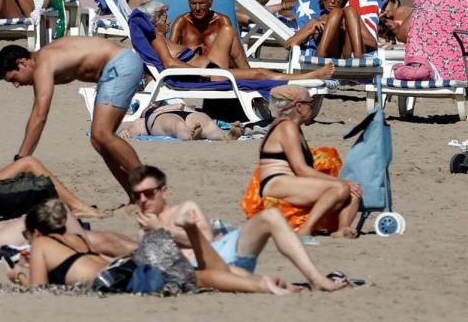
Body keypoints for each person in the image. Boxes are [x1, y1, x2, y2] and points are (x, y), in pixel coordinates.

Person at [129, 165, 350, 291]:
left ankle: (316, 278)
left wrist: (163, 230)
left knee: (271, 216)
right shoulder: (143, 230)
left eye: (149, 193)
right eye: (137, 196)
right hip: (212, 271)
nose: (143, 200)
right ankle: (280, 285)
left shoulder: (185, 208)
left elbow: (206, 240)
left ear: (164, 191)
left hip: (224, 250)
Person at [0, 37, 146, 195]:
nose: (17, 85)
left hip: (119, 65)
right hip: (115, 69)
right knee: (98, 141)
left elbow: (40, 116)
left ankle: (149, 186)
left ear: (22, 63)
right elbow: (37, 114)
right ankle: (135, 196)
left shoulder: (43, 64)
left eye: (14, 79)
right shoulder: (42, 60)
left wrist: (20, 160)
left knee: (101, 133)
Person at [138, 0, 335, 81]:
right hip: (207, 74)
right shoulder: (156, 38)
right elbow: (169, 63)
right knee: (260, 73)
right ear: (154, 21)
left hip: (208, 67)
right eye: (164, 18)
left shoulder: (159, 37)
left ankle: (246, 72)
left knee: (228, 30)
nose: (168, 21)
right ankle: (308, 77)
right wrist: (198, 71)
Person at [255, 86, 362, 238]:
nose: (313, 108)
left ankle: (342, 228)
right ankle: (306, 230)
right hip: (276, 183)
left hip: (290, 181)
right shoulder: (287, 127)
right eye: (311, 103)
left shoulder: (293, 127)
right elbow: (301, 169)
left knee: (353, 192)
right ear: (299, 106)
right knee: (341, 188)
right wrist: (340, 181)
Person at [285, 0, 376, 59]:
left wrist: (350, 32)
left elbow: (373, 44)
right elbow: (288, 44)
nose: (332, 1)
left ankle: (358, 56)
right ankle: (320, 54)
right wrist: (312, 31)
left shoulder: (351, 19)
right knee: (336, 13)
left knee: (351, 10)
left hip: (348, 55)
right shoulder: (316, 21)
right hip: (327, 57)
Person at [122, 102, 242, 140]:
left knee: (204, 120)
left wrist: (225, 124)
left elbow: (198, 114)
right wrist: (127, 132)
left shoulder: (171, 105)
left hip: (184, 113)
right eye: (150, 105)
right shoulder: (144, 118)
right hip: (162, 117)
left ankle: (223, 137)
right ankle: (189, 136)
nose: (153, 104)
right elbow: (130, 131)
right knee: (177, 124)